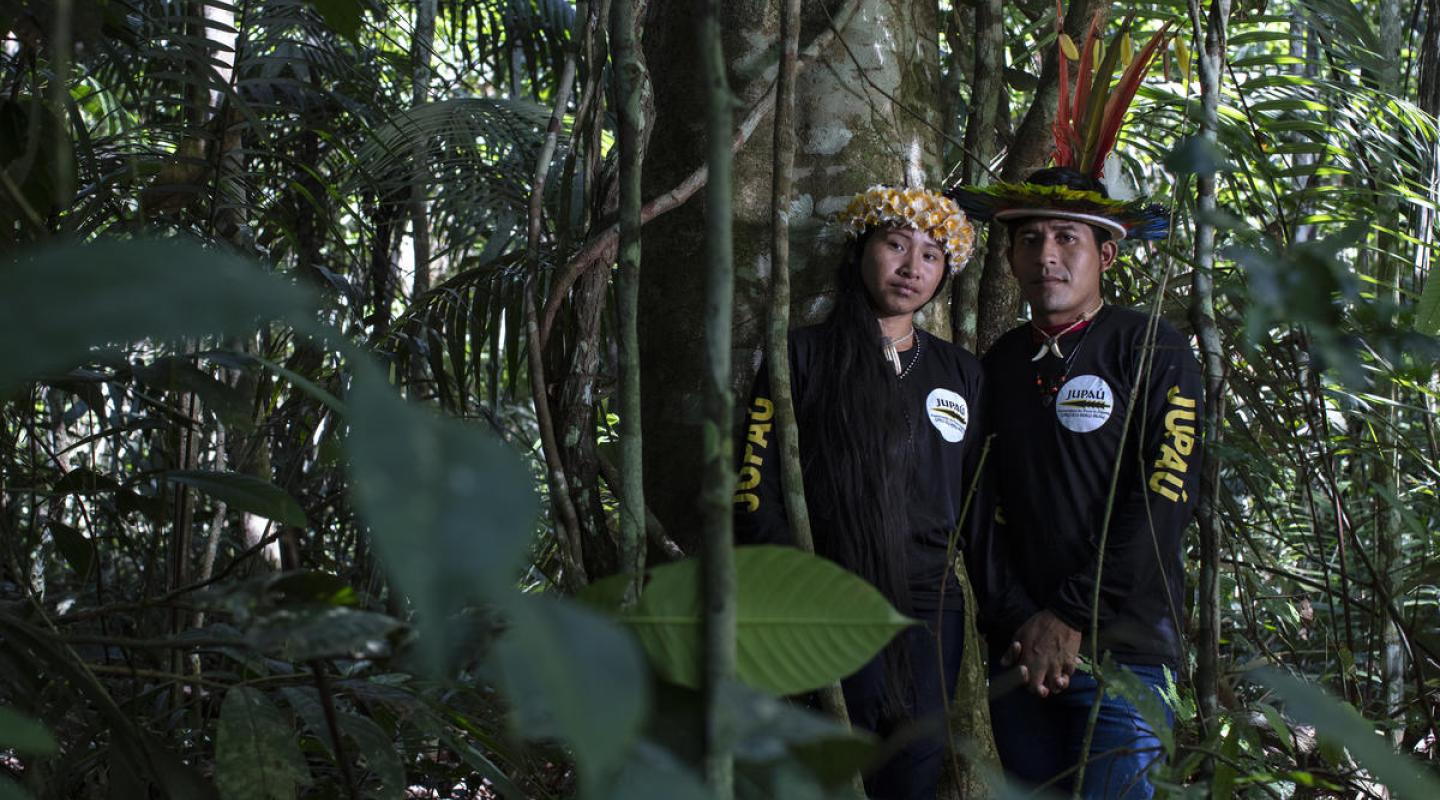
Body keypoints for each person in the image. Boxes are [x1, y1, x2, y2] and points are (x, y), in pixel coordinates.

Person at [948, 13, 1202, 798]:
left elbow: (1161, 497)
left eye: (1067, 239)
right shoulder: (998, 362)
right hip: (1021, 654)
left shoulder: (1153, 347)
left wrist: (1068, 615)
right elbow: (975, 497)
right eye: (1029, 240)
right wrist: (1021, 618)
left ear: (1107, 255)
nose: (1046, 255)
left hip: (1126, 648)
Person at [733, 185, 985, 799]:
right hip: (832, 597)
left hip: (930, 606)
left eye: (930, 256)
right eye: (895, 246)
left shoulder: (960, 373)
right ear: (859, 253)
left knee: (915, 763)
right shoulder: (802, 355)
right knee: (831, 766)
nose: (911, 268)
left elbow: (977, 494)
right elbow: (750, 487)